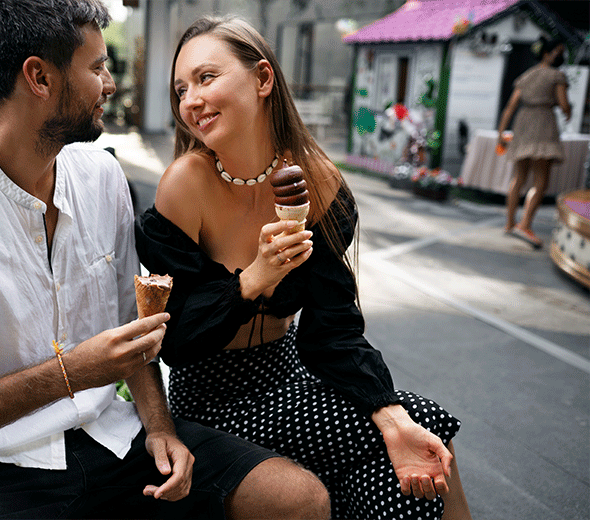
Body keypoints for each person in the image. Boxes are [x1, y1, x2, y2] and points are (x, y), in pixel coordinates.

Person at [0, 2, 332, 519]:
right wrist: (71, 373)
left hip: (111, 437)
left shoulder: (101, 178)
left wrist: (159, 427)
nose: (109, 84)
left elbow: (131, 328)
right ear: (39, 78)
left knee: (297, 500)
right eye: (96, 67)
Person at [135, 16, 473, 520]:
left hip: (292, 373)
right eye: (181, 89)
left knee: (406, 446)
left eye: (206, 78)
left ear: (263, 79)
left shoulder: (319, 182)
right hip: (210, 398)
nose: (190, 100)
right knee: (425, 421)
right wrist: (254, 279)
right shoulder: (185, 185)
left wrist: (389, 412)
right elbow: (175, 340)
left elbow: (333, 328)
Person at [497, 36, 572, 248]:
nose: (561, 55)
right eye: (558, 51)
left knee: (519, 178)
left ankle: (510, 222)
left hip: (523, 122)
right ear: (547, 53)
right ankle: (525, 224)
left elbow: (510, 107)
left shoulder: (526, 76)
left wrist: (501, 132)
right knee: (540, 181)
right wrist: (568, 109)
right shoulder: (557, 75)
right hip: (543, 123)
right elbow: (564, 105)